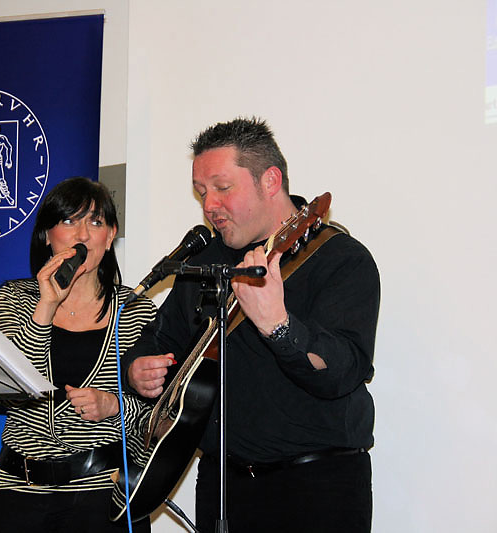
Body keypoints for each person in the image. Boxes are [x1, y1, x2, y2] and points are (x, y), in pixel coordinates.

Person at [123, 117, 380, 532]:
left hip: (317, 487)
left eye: (222, 188)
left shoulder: (341, 260)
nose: (209, 205)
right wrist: (139, 369)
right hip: (223, 486)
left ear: (270, 181)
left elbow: (341, 372)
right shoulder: (205, 262)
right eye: (201, 192)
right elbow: (157, 339)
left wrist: (278, 324)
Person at [0, 177, 157, 533]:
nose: (82, 235)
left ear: (110, 236)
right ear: (47, 235)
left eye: (96, 222)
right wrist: (46, 306)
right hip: (17, 488)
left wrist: (115, 405)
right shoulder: (13, 298)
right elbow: (8, 391)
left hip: (102, 492)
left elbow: (162, 414)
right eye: (69, 221)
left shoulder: (137, 310)